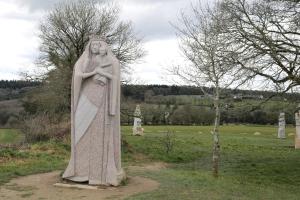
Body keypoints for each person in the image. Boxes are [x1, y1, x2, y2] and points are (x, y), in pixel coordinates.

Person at [63, 35, 125, 186]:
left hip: (101, 99)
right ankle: (80, 170)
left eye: (99, 45)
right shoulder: (84, 61)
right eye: (93, 45)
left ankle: (100, 173)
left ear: (104, 47)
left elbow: (115, 79)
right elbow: (78, 75)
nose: (96, 48)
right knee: (80, 131)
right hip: (86, 98)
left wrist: (103, 73)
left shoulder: (112, 61)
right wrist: (92, 72)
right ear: (89, 47)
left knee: (99, 132)